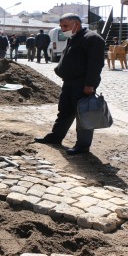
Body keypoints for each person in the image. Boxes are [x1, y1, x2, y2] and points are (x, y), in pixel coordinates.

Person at [34, 13, 105, 155]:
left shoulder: (92, 39)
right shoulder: (73, 38)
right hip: (69, 83)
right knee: (64, 111)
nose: (62, 29)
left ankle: (83, 145)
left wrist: (90, 84)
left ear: (76, 24)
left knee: (83, 114)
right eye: (61, 26)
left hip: (83, 84)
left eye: (65, 26)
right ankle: (55, 137)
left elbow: (95, 65)